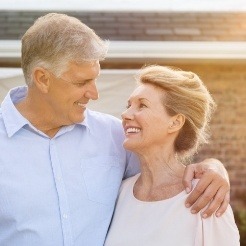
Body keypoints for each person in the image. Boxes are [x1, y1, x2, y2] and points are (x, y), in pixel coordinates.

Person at [0, 13, 229, 246]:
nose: (94, 94)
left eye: (95, 79)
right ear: (42, 79)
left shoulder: (114, 136)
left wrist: (215, 168)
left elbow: (165, 166)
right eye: (81, 83)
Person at [104, 65, 240, 246]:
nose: (125, 114)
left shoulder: (206, 196)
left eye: (142, 105)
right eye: (129, 105)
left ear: (175, 122)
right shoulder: (119, 193)